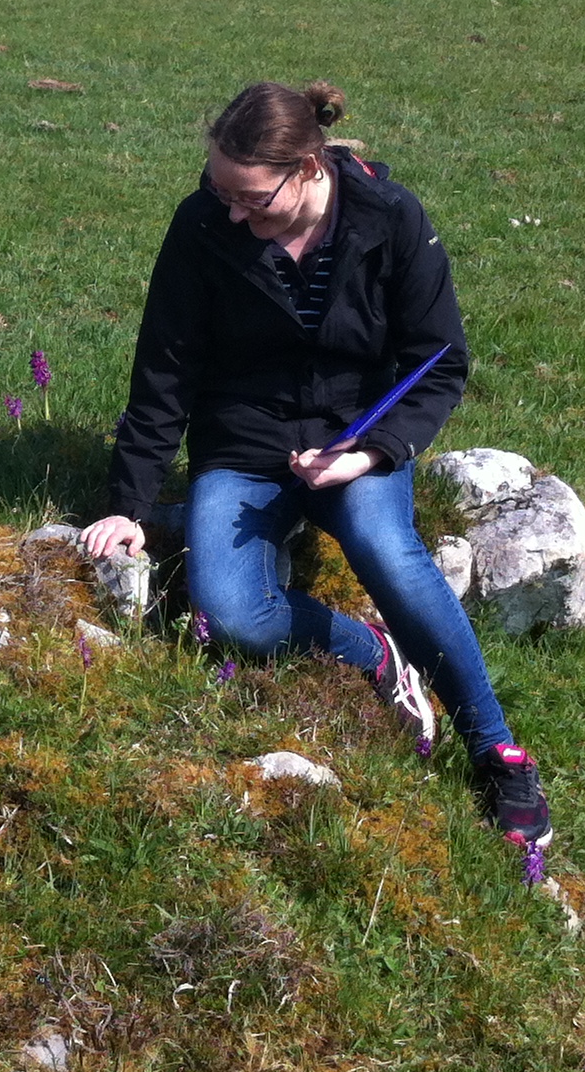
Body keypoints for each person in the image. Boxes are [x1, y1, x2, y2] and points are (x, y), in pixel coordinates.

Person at [81, 81, 552, 855]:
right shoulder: (202, 224)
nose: (232, 213)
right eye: (218, 190)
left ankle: (498, 753)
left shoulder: (392, 218)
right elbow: (166, 368)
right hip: (241, 442)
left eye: (251, 198)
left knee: (387, 550)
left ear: (308, 167)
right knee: (234, 618)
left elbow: (438, 361)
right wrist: (129, 501)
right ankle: (374, 651)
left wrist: (370, 452)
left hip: (357, 437)